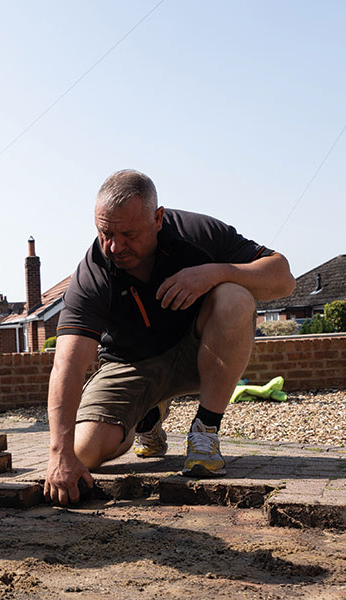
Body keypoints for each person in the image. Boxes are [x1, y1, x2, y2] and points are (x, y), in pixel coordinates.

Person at [43, 170, 295, 506]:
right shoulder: (92, 275)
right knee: (84, 450)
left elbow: (283, 278)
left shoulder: (198, 233)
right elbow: (67, 365)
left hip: (200, 352)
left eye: (129, 234)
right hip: (130, 364)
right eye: (106, 233)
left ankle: (205, 432)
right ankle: (147, 417)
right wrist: (59, 454)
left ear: (157, 218)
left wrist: (215, 272)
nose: (115, 246)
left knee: (236, 295)